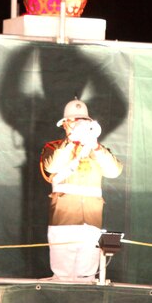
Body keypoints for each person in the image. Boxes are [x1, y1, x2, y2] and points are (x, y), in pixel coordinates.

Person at [40, 98, 123, 282]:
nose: (77, 125)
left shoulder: (97, 150)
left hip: (91, 223)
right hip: (63, 222)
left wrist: (94, 146)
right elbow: (52, 167)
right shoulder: (53, 148)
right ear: (65, 125)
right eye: (73, 121)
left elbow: (114, 171)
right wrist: (71, 142)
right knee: (62, 276)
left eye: (82, 121)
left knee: (87, 277)